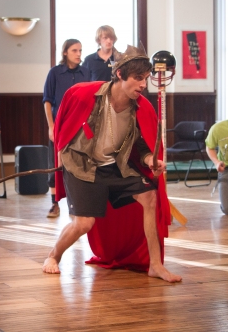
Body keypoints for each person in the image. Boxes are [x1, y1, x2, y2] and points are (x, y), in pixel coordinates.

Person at [42, 45, 182, 282]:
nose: (142, 85)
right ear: (120, 75)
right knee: (84, 223)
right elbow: (65, 119)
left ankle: (155, 265)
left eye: (145, 79)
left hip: (114, 166)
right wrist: (61, 150)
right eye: (138, 78)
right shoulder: (85, 95)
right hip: (81, 164)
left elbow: (142, 148)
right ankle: (53, 256)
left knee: (149, 197)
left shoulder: (141, 107)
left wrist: (151, 160)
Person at [43, 39, 91, 217]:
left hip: (80, 126)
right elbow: (47, 100)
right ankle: (54, 204)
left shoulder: (85, 72)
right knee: (55, 164)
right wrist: (51, 126)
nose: (79, 54)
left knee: (77, 165)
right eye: (74, 50)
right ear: (65, 53)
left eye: (80, 50)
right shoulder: (54, 73)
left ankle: (75, 203)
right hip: (59, 125)